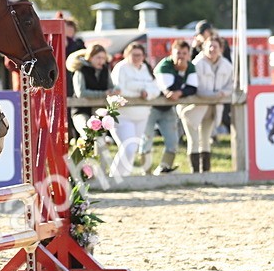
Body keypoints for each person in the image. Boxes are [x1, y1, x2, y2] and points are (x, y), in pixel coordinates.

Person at [180, 37, 234, 173]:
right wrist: (215, 95)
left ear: (220, 49)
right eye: (209, 46)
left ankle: (206, 173)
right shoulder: (196, 64)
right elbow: (196, 88)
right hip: (193, 107)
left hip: (212, 109)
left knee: (205, 139)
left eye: (215, 47)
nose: (212, 49)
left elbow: (231, 84)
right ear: (204, 48)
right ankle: (195, 173)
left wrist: (223, 93)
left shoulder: (227, 65)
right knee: (193, 140)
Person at [146, 39, 197, 176]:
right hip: (151, 108)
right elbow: (169, 90)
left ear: (189, 55)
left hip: (168, 109)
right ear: (171, 53)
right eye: (178, 53)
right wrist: (181, 75)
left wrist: (180, 92)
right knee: (146, 140)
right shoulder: (165, 66)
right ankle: (146, 174)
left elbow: (192, 88)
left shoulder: (190, 67)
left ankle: (163, 169)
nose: (181, 56)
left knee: (173, 142)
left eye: (184, 53)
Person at [109, 42, 161, 177]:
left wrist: (147, 94)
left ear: (144, 56)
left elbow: (156, 89)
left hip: (142, 115)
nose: (137, 57)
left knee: (133, 148)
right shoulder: (121, 68)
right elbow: (119, 89)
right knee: (128, 147)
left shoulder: (146, 68)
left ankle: (124, 178)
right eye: (134, 55)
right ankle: (114, 177)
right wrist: (139, 93)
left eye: (139, 55)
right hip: (123, 115)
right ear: (126, 54)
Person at [67, 43, 113, 137]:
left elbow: (111, 87)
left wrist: (116, 90)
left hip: (99, 110)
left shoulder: (105, 70)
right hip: (81, 110)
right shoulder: (80, 70)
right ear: (90, 57)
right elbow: (81, 93)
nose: (101, 61)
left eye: (103, 58)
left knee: (100, 140)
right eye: (98, 57)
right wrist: (103, 93)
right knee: (88, 134)